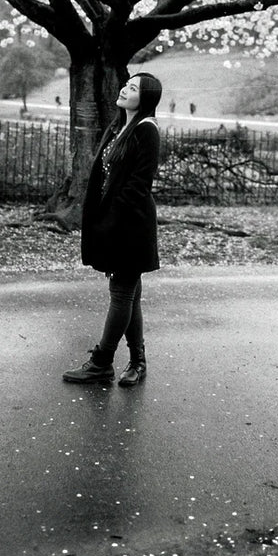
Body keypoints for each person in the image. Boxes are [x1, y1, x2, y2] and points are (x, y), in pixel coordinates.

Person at [62, 72, 163, 388]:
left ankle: (102, 362)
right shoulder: (118, 127)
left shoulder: (147, 130)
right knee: (129, 295)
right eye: (126, 84)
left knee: (121, 293)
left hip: (130, 225)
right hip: (112, 220)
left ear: (145, 98)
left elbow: (138, 185)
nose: (124, 89)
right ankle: (137, 362)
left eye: (133, 88)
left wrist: (111, 221)